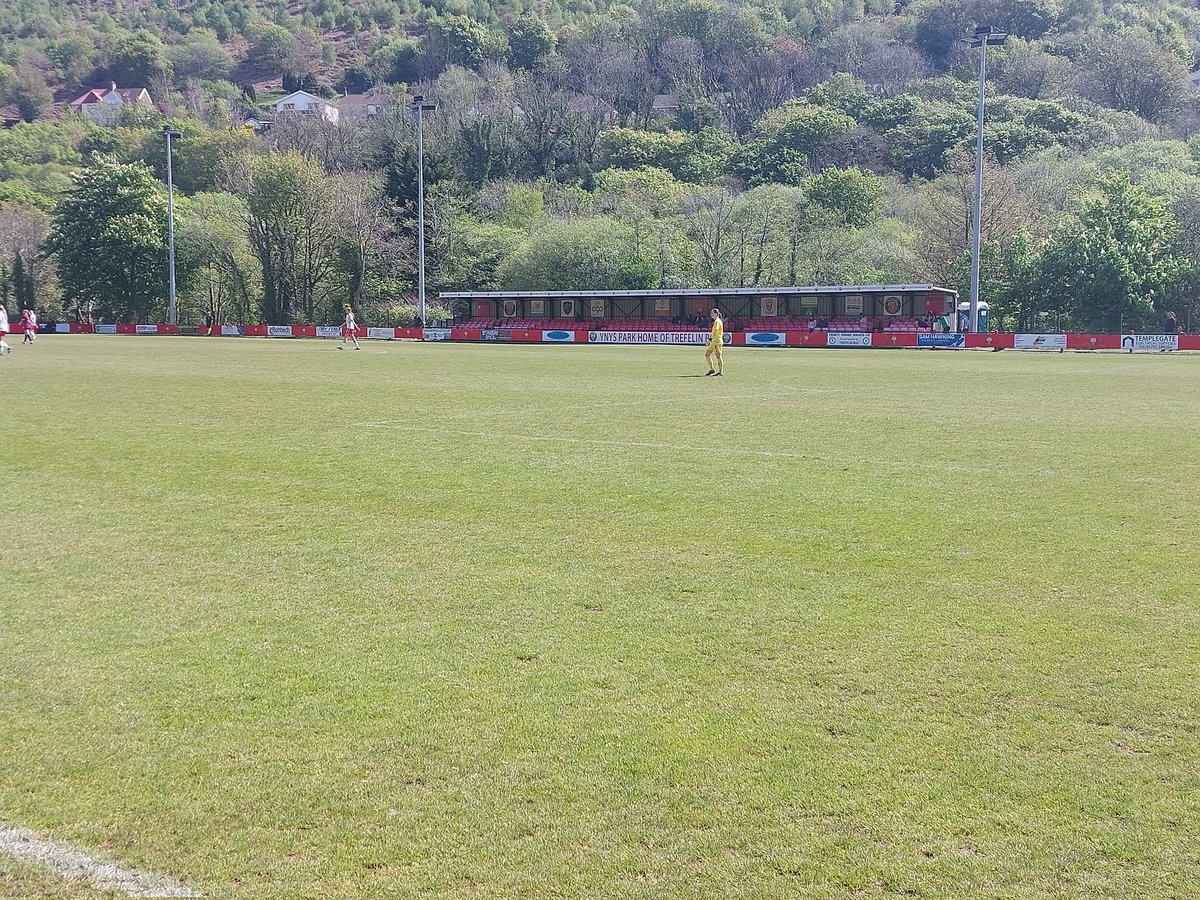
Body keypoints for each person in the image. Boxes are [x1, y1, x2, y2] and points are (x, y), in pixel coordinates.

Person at [704, 307, 724, 376]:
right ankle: (712, 369)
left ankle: (720, 372)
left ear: (716, 314)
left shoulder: (717, 322)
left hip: (716, 341)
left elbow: (715, 331)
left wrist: (710, 339)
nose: (710, 314)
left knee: (718, 356)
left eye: (712, 313)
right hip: (714, 341)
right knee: (707, 354)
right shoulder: (717, 321)